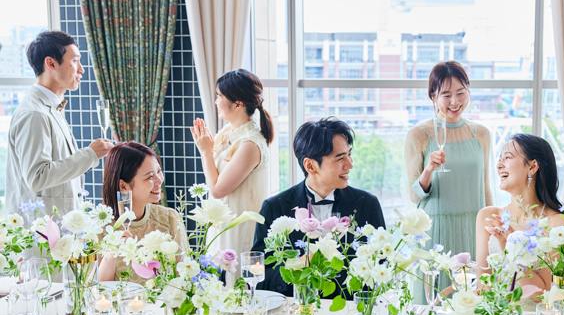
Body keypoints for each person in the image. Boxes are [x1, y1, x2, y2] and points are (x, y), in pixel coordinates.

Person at [253, 117, 386, 297]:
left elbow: (382, 267)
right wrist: (296, 267)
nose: (350, 164)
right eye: (340, 158)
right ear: (310, 165)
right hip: (297, 309)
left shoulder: (367, 204)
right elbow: (259, 277)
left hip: (349, 310)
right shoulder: (274, 208)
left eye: (349, 154)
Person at [404, 61, 493, 303]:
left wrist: (492, 235)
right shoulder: (419, 134)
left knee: (473, 306)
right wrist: (429, 170)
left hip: (473, 232)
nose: (455, 101)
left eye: (461, 93)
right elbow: (414, 195)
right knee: (433, 308)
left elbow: (486, 187)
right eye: (446, 95)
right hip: (437, 233)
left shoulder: (481, 134)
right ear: (433, 96)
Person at [6, 30, 112, 220]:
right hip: (40, 234)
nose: (81, 69)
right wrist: (90, 154)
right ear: (51, 63)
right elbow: (37, 177)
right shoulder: (34, 114)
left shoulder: (52, 108)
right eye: (75, 61)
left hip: (58, 230)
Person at [190, 69, 272, 285]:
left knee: (235, 290)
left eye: (219, 96)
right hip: (223, 226)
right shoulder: (229, 133)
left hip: (238, 229)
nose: (216, 102)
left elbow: (218, 190)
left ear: (238, 104)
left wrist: (206, 152)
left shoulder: (250, 144)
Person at [476, 134, 564, 295]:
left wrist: (511, 249)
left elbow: (544, 294)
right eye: (499, 159)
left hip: (537, 311)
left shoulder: (558, 223)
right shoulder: (488, 216)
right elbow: (483, 287)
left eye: (507, 157)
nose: (499, 165)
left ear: (532, 167)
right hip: (495, 309)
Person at [98, 142, 188, 285]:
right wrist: (110, 256)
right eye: (150, 177)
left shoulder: (169, 218)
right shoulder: (98, 228)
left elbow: (184, 277)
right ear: (123, 186)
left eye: (159, 171)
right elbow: (94, 289)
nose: (159, 180)